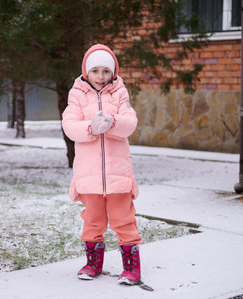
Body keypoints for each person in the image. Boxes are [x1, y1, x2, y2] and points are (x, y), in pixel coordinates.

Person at [62, 44, 142, 285]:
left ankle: (131, 266)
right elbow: (69, 124)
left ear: (113, 72)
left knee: (124, 220)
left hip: (118, 174)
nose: (100, 76)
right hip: (89, 175)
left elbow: (130, 122)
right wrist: (91, 128)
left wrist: (112, 122)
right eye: (95, 71)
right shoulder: (77, 94)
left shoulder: (120, 93)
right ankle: (93, 262)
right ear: (87, 72)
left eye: (106, 71)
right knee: (92, 221)